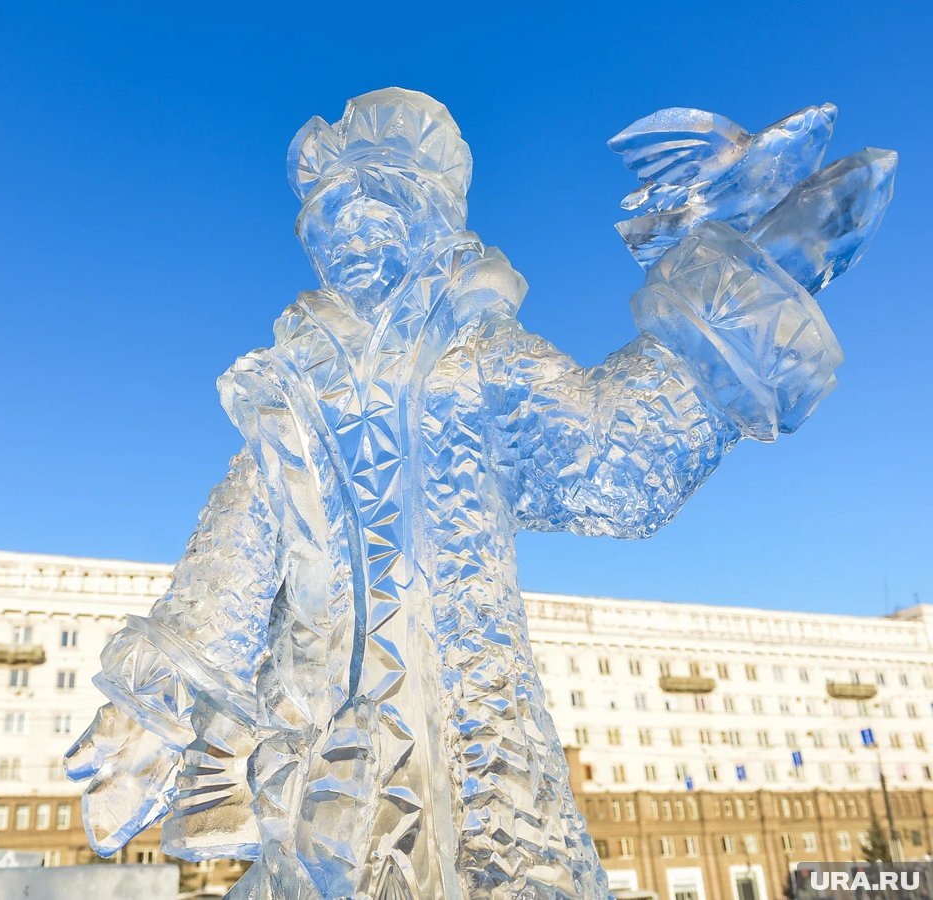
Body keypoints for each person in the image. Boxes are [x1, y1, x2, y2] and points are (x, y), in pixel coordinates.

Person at [66, 88, 896, 899]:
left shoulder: (479, 364)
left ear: (427, 222)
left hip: (473, 747)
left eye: (375, 209)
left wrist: (741, 303)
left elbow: (609, 464)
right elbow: (232, 567)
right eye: (330, 215)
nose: (348, 233)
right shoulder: (291, 398)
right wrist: (151, 713)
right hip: (319, 755)